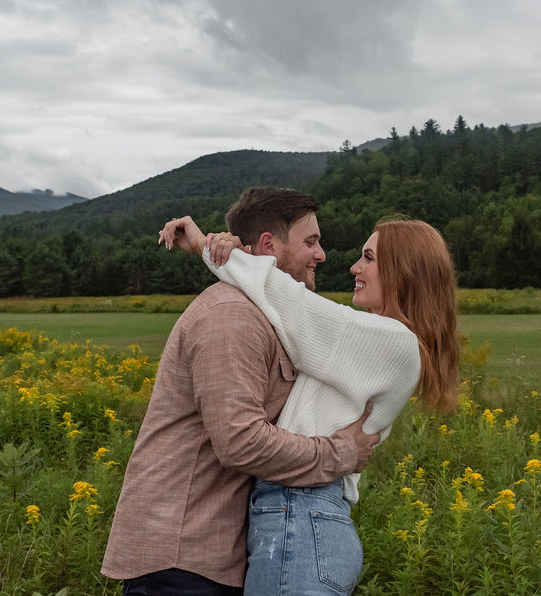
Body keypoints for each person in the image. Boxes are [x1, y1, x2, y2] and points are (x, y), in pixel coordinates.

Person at [158, 213, 460, 595]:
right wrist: (239, 252)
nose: (355, 266)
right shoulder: (376, 338)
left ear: (405, 271)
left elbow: (290, 303)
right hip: (302, 516)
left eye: (368, 258)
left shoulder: (392, 341)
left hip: (299, 514)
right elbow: (289, 316)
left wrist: (208, 246)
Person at [102, 187, 382, 596]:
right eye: (310, 242)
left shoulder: (270, 317)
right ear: (269, 245)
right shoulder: (233, 317)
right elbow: (240, 440)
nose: (321, 254)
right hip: (184, 559)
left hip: (211, 556)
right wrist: (343, 453)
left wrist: (215, 248)